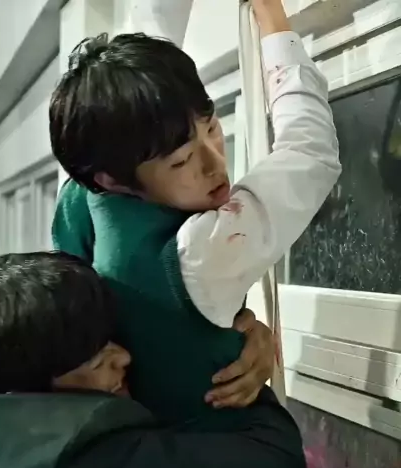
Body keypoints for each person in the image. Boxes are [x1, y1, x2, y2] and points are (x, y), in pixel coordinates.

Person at [50, 0, 340, 426]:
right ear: (113, 180)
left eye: (212, 128)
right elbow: (310, 154)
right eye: (181, 161)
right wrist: (273, 21)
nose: (213, 164)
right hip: (226, 444)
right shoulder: (201, 251)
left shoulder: (85, 192)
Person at [0, 252, 306, 468]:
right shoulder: (93, 464)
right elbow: (277, 458)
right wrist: (235, 362)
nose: (125, 357)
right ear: (30, 390)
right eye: (97, 359)